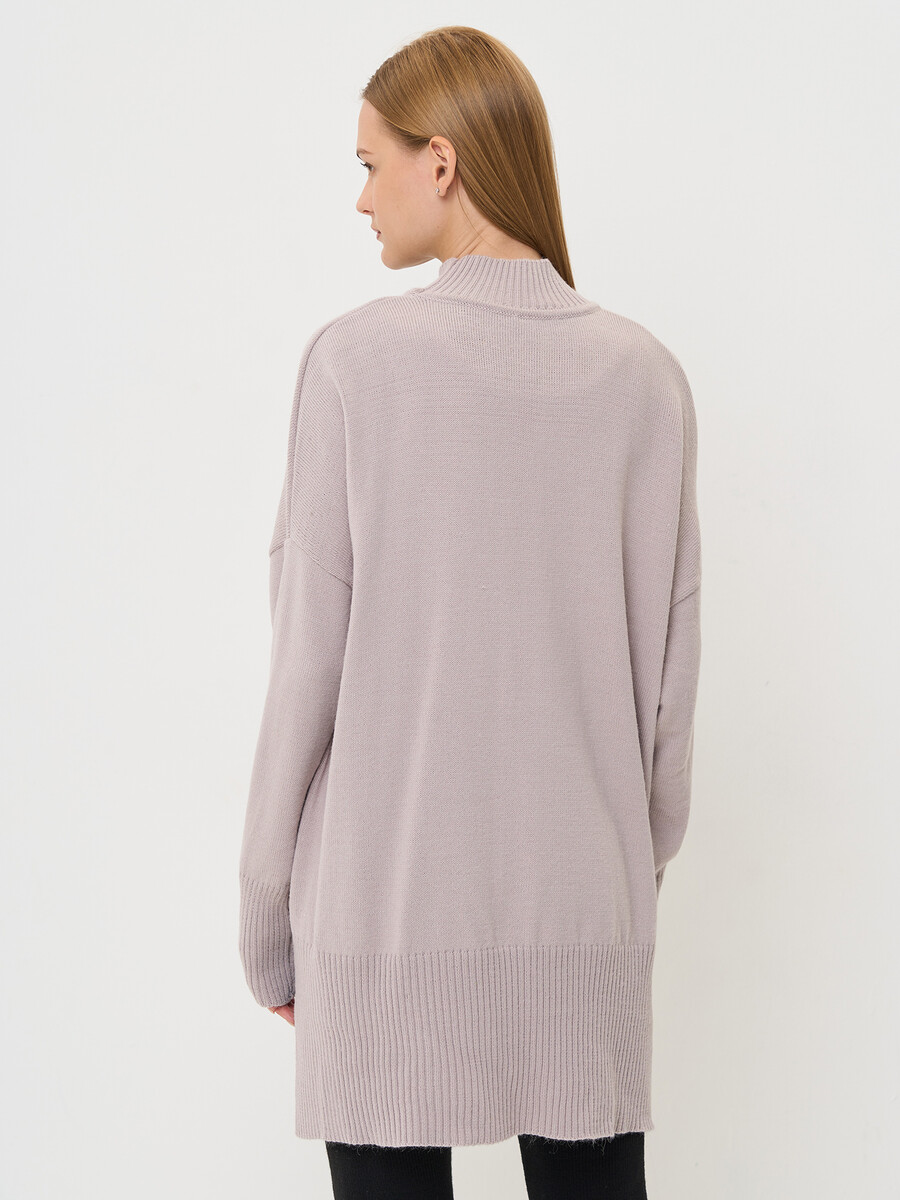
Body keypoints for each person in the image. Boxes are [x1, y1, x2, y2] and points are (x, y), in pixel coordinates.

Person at [237, 24, 701, 1200]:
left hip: (384, 916)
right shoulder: (646, 379)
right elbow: (666, 702)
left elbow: (305, 674)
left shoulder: (354, 364)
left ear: (439, 162)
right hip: (584, 918)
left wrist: (267, 916)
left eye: (369, 163)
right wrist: (613, 890)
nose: (360, 198)